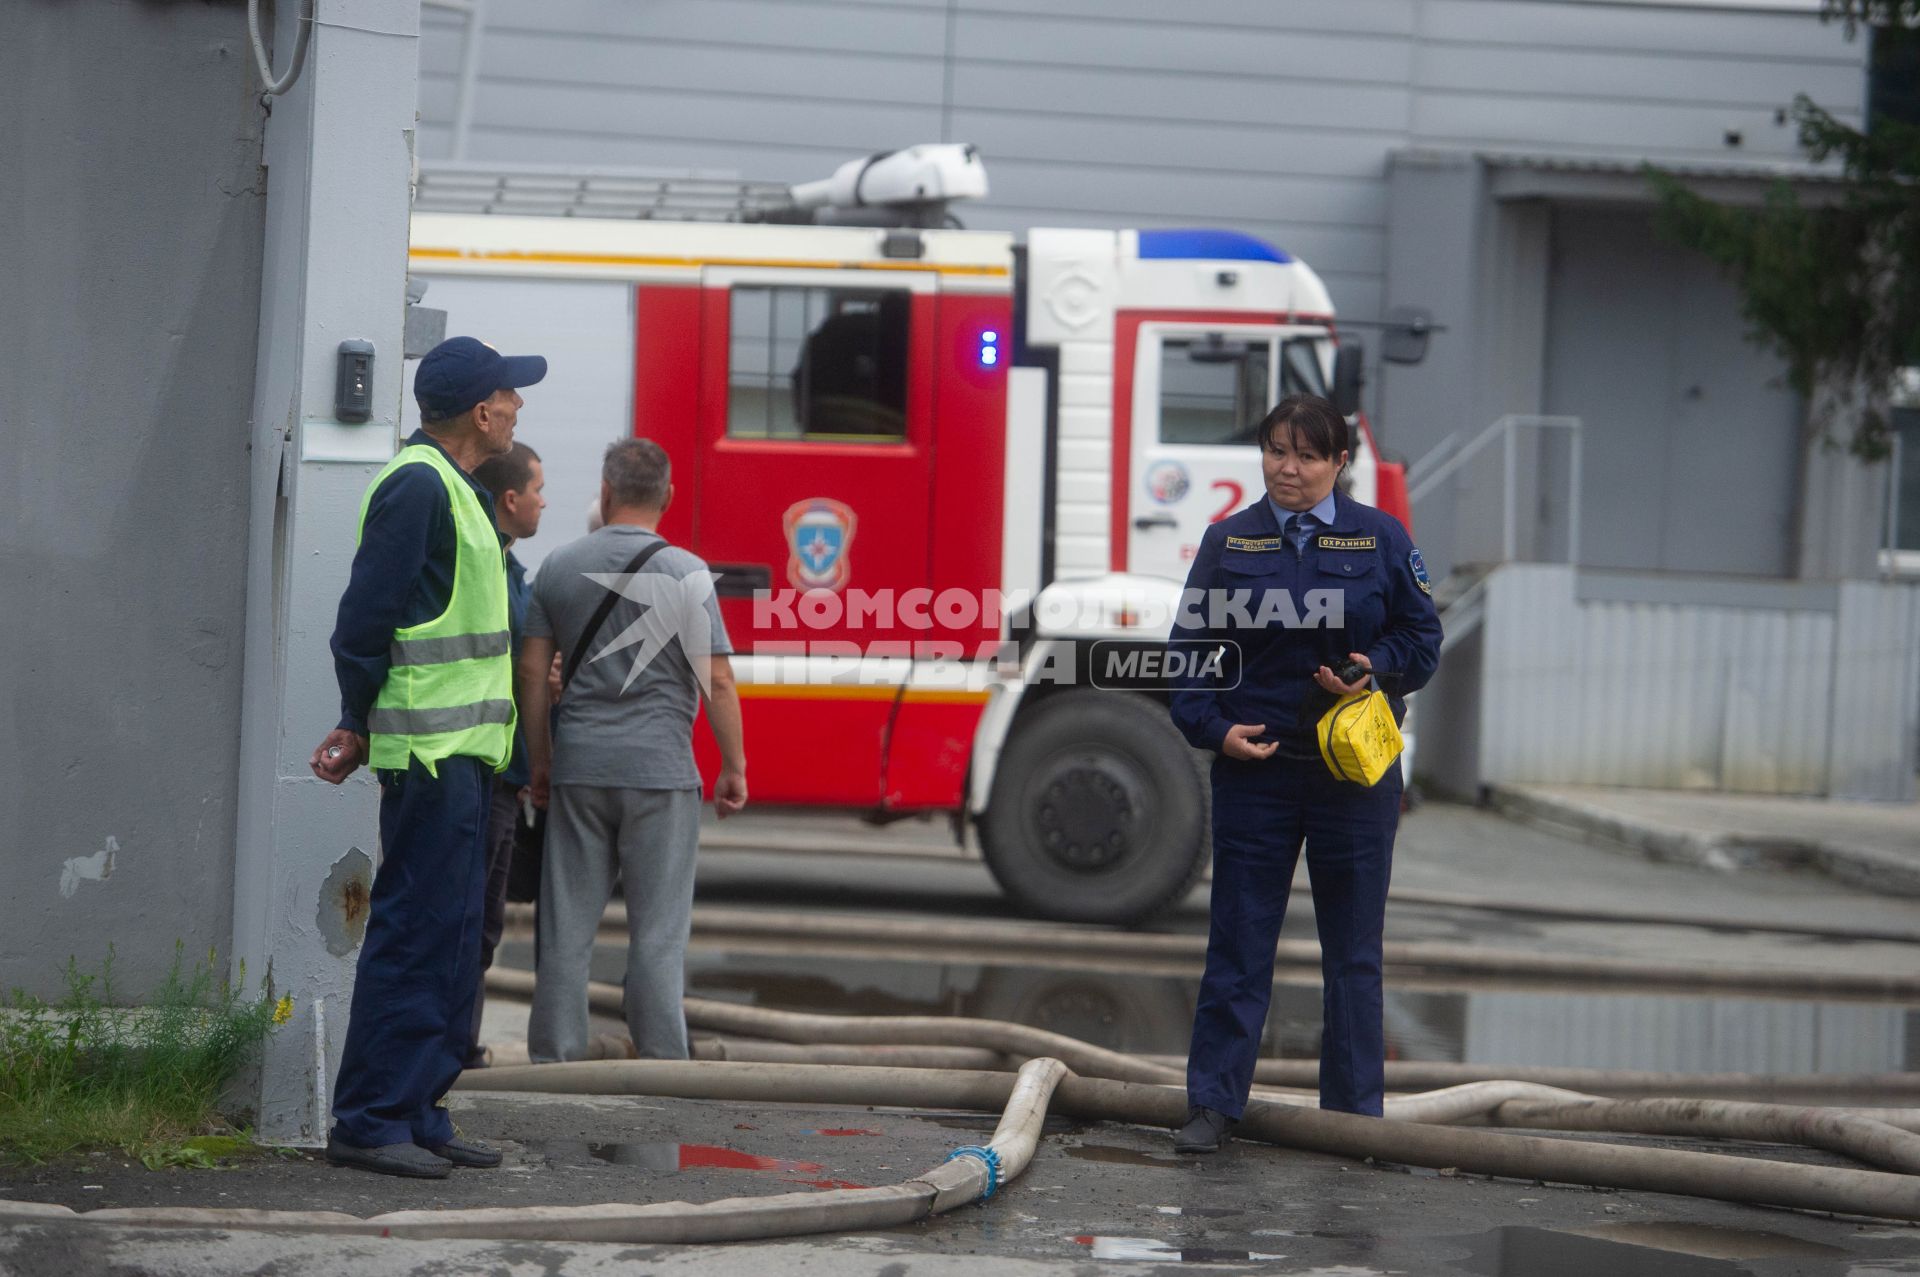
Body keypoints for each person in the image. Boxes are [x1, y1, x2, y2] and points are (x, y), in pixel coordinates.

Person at [1168, 393, 1442, 1154]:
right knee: (1238, 943)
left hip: (1354, 778)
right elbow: (1187, 659)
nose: (1289, 469)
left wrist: (1373, 668)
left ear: (1339, 463)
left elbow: (1423, 641)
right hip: (1256, 776)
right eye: (1276, 451)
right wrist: (1217, 732)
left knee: (1353, 953)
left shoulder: (1381, 539)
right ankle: (1214, 1105)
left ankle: (1352, 1120)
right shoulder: (1229, 542)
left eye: (1308, 455)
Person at [309, 335, 547, 1179]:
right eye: (510, 396)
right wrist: (355, 718)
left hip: (470, 756)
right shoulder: (419, 485)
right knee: (414, 935)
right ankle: (371, 1119)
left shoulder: (459, 490)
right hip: (433, 755)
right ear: (483, 412)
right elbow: (364, 617)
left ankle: (417, 1108)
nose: (519, 407)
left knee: (450, 940)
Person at [519, 438, 748, 1063]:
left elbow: (533, 676)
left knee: (565, 929)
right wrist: (735, 765)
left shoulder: (560, 567)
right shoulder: (686, 573)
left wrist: (542, 760)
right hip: (661, 775)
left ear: (606, 491)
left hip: (581, 769)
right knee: (657, 933)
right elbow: (719, 680)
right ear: (668, 497)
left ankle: (555, 1059)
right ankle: (663, 1061)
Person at [463, 441, 547, 1068]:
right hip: (483, 769)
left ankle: (457, 1045)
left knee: (484, 926)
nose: (546, 501)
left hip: (501, 768)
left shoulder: (513, 570)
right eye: (539, 489)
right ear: (510, 499)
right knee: (468, 923)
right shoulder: (488, 566)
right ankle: (448, 1047)